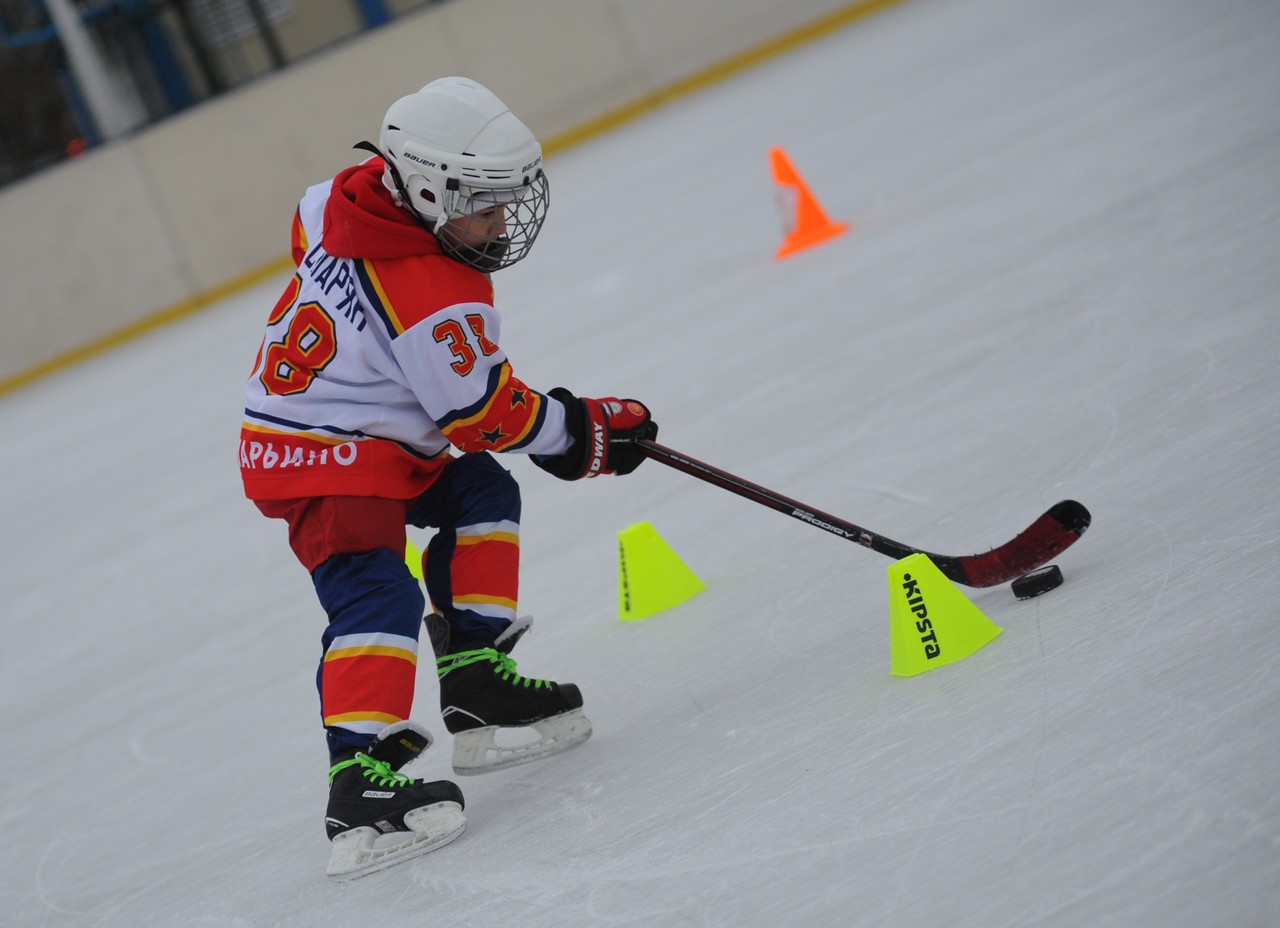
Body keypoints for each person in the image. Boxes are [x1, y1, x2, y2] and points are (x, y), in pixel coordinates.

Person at [239, 76, 657, 879]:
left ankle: (475, 679)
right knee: (375, 595)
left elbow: (305, 231)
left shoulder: (343, 198)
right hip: (317, 458)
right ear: (428, 189)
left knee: (481, 495)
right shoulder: (435, 293)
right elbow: (484, 416)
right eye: (484, 205)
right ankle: (357, 782)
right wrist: (587, 433)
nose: (502, 222)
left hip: (359, 435)